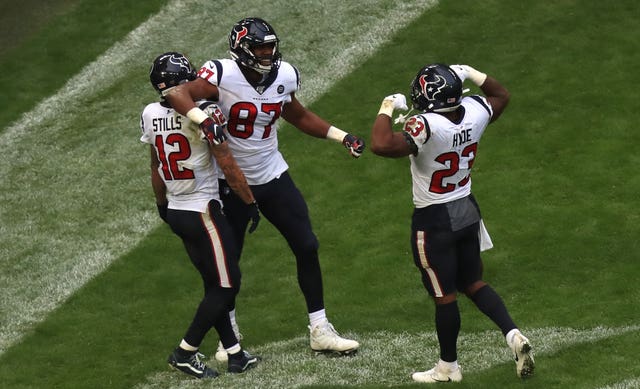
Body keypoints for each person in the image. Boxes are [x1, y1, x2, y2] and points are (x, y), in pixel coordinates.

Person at [164, 18, 364, 359]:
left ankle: (320, 327)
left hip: (272, 174)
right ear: (242, 50)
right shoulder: (221, 73)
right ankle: (230, 339)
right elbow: (178, 93)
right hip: (230, 184)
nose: (268, 53)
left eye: (270, 46)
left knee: (307, 245)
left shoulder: (284, 75)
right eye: (260, 47)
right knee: (228, 266)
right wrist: (202, 118)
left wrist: (340, 135)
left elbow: (296, 114)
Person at [370, 63, 534, 383]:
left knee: (444, 295)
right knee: (473, 282)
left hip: (434, 217)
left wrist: (386, 108)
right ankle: (513, 334)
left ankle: (448, 367)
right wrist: (472, 72)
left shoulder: (425, 124)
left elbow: (380, 144)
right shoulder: (475, 110)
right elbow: (500, 94)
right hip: (466, 208)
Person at [140, 51, 262, 379]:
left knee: (213, 282)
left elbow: (155, 165)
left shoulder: (150, 113)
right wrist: (249, 201)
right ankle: (185, 351)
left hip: (177, 209)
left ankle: (235, 354)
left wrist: (161, 204)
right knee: (227, 284)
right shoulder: (205, 113)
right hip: (202, 209)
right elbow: (226, 161)